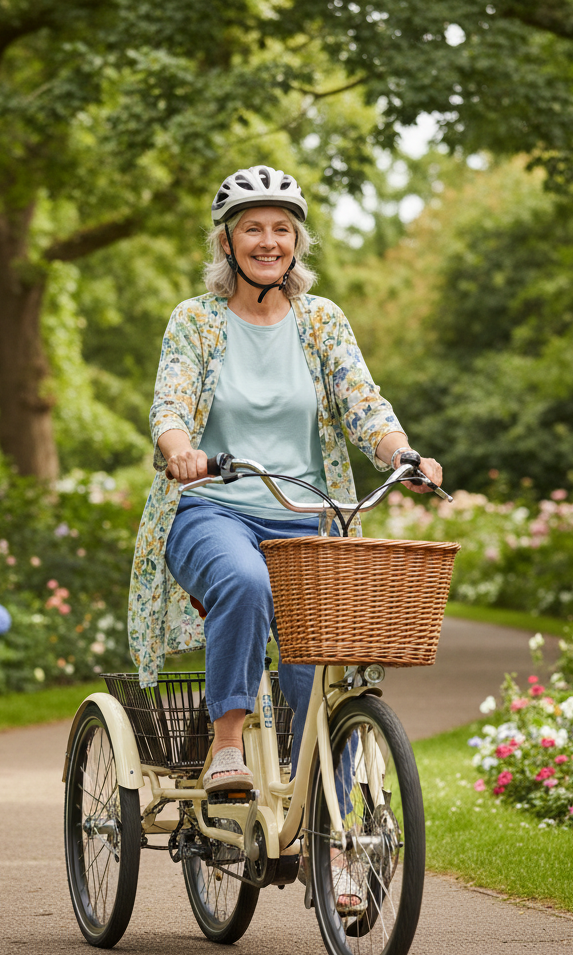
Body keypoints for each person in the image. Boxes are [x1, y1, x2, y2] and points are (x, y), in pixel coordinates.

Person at [127, 164, 442, 795]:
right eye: (252, 229)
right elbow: (171, 403)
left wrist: (403, 454)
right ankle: (226, 745)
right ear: (227, 242)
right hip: (212, 509)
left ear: (297, 242)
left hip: (307, 517)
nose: (268, 241)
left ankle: (331, 822)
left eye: (281, 229)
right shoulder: (196, 320)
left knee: (321, 665)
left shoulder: (321, 321)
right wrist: (180, 450)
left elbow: (363, 402)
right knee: (244, 582)